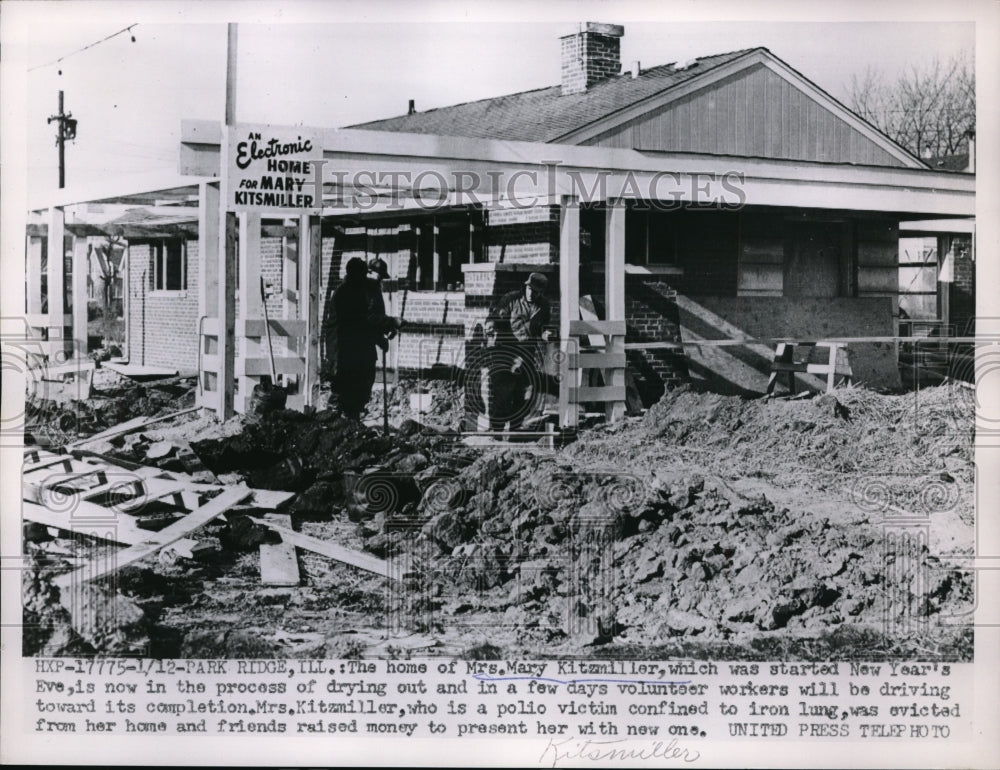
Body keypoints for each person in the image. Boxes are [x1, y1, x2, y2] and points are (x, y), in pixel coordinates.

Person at [330, 257, 399, 420]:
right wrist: (390, 322)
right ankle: (336, 423)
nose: (376, 278)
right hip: (345, 348)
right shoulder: (347, 293)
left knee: (361, 385)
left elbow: (371, 319)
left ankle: (352, 421)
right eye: (372, 274)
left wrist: (382, 333)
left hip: (360, 345)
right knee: (344, 389)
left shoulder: (364, 289)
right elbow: (366, 318)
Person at [485, 272, 553, 431]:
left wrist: (545, 335)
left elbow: (541, 328)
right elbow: (497, 317)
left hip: (527, 351)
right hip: (506, 349)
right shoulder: (512, 299)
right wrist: (491, 325)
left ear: (541, 292)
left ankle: (515, 428)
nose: (531, 293)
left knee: (522, 391)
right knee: (501, 391)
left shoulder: (543, 306)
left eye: (535, 291)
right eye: (529, 288)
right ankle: (497, 430)